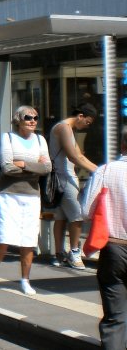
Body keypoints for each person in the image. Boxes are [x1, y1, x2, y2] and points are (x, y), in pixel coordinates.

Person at [0, 105, 51, 295]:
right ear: (19, 119)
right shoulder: (8, 138)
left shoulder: (41, 140)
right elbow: (8, 168)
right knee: (3, 237)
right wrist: (35, 167)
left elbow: (47, 168)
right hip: (8, 194)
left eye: (36, 117)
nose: (33, 120)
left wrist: (24, 164)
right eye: (28, 117)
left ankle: (25, 280)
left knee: (28, 239)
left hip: (32, 195)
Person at [81, 130, 127, 349]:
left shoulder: (105, 171)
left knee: (115, 317)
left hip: (114, 248)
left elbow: (86, 210)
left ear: (122, 145)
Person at [49, 103, 99, 269]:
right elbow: (74, 157)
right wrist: (100, 172)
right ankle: (75, 252)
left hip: (61, 178)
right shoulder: (64, 128)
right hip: (65, 178)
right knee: (77, 216)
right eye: (88, 122)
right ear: (80, 116)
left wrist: (99, 170)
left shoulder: (65, 128)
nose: (87, 126)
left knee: (61, 217)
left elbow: (79, 156)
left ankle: (58, 254)